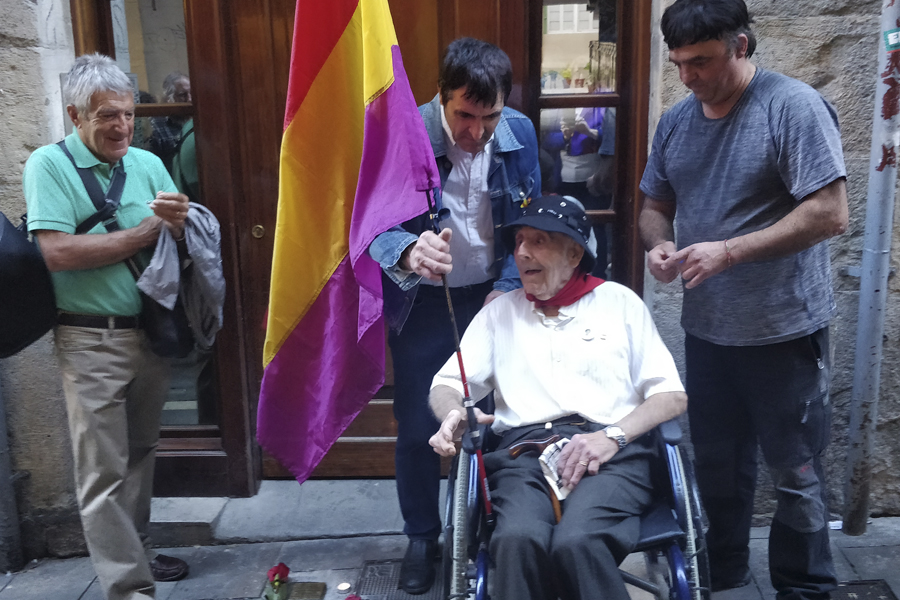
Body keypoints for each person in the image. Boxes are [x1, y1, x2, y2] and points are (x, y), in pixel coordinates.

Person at [638, 1, 848, 598]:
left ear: (742, 45)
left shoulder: (793, 107)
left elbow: (830, 213)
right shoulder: (678, 121)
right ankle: (725, 572)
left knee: (797, 472)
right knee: (719, 467)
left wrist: (729, 251)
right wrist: (661, 246)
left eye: (701, 61)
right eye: (678, 64)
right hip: (708, 331)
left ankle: (805, 587)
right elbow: (655, 206)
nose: (688, 77)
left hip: (784, 332)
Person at [428, 195, 687, 600]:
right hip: (522, 458)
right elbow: (447, 385)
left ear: (574, 253)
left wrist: (613, 437)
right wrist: (451, 414)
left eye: (540, 241)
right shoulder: (500, 314)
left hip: (612, 454)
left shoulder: (619, 303)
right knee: (516, 539)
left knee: (578, 540)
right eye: (519, 242)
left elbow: (671, 396)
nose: (523, 252)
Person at [368, 37, 541, 594]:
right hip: (425, 303)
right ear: (441, 96)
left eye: (488, 117)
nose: (476, 132)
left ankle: (483, 529)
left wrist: (511, 286)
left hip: (492, 296)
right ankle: (423, 537)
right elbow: (367, 227)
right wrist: (407, 251)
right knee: (422, 424)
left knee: (490, 420)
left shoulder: (518, 134)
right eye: (465, 115)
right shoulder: (404, 132)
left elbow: (530, 224)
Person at [23, 54, 192, 600]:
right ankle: (127, 587)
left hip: (149, 331)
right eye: (106, 117)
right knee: (102, 470)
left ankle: (134, 551)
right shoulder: (47, 166)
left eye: (126, 114)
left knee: (141, 452)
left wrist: (188, 228)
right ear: (75, 115)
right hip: (88, 337)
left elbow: (175, 235)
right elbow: (56, 252)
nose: (121, 126)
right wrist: (146, 233)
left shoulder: (145, 162)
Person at [149, 71, 191, 171]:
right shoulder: (156, 127)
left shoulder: (199, 121)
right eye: (182, 95)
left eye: (192, 93)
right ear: (169, 98)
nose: (189, 99)